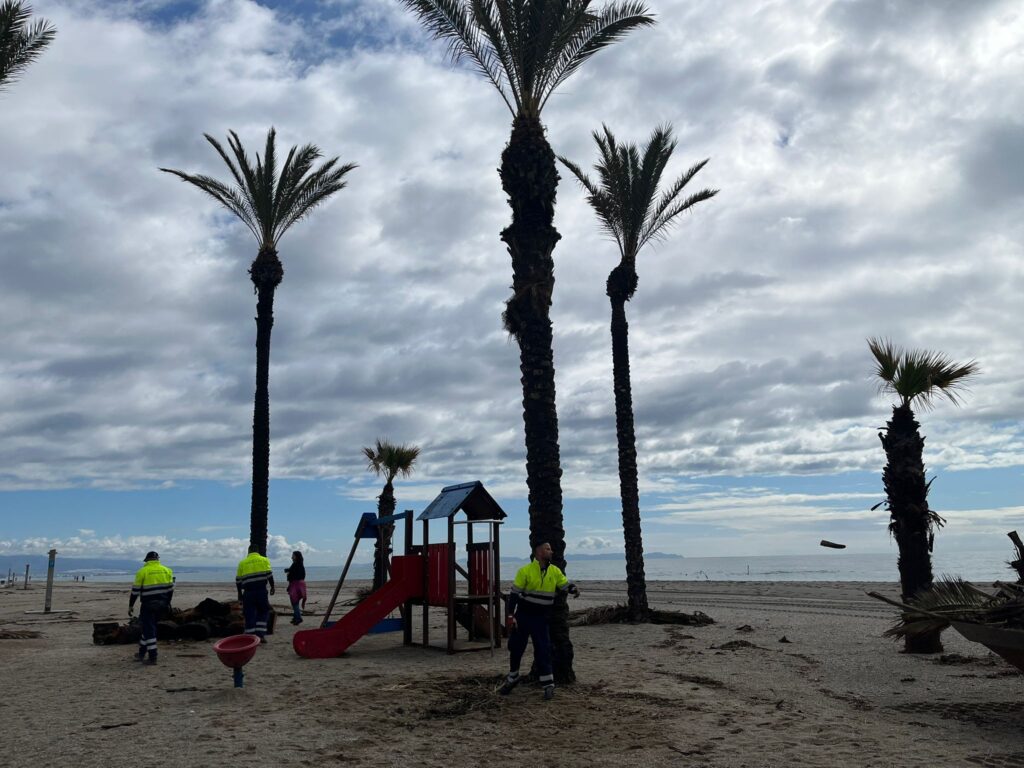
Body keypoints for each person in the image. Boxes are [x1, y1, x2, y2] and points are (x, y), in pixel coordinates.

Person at [500, 542, 580, 701]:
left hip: (541, 618)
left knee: (543, 650)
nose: (551, 551)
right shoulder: (525, 571)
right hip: (523, 616)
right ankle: (513, 677)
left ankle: (548, 684)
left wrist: (573, 589)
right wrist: (510, 616)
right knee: (516, 648)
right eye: (547, 549)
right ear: (538, 552)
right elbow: (514, 595)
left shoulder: (555, 571)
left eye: (550, 548)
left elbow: (564, 584)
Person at [128, 551, 174, 665]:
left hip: (148, 605)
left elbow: (135, 592)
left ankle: (153, 657)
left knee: (149, 630)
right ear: (157, 559)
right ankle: (141, 653)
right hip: (162, 605)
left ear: (147, 560)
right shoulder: (167, 570)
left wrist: (130, 605)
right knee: (147, 629)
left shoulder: (142, 571)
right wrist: (167, 603)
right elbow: (170, 590)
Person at [236, 545, 275, 642]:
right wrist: (272, 587)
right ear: (257, 551)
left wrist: (239, 593)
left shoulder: (242, 563)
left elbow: (238, 581)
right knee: (263, 611)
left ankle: (250, 636)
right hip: (261, 591)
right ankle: (260, 635)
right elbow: (269, 575)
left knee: (249, 613)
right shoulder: (264, 560)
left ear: (248, 551)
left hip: (248, 592)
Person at [284, 550, 307, 625]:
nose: (291, 557)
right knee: (295, 602)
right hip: (300, 585)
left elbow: (292, 575)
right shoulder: (300, 565)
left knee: (294, 603)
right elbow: (302, 575)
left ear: (296, 557)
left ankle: (298, 618)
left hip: (295, 585)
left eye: (293, 555)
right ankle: (295, 617)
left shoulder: (295, 565)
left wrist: (288, 572)